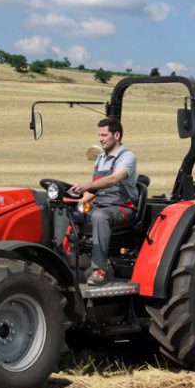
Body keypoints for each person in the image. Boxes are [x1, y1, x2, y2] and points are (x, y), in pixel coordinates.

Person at [70, 117, 137, 285]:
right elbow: (94, 191)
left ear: (116, 135)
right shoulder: (101, 157)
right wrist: (77, 203)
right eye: (99, 135)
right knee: (68, 211)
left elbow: (113, 179)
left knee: (100, 216)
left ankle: (99, 270)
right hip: (100, 203)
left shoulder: (127, 157)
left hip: (121, 207)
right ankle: (66, 261)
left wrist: (87, 186)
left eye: (104, 135)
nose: (100, 139)